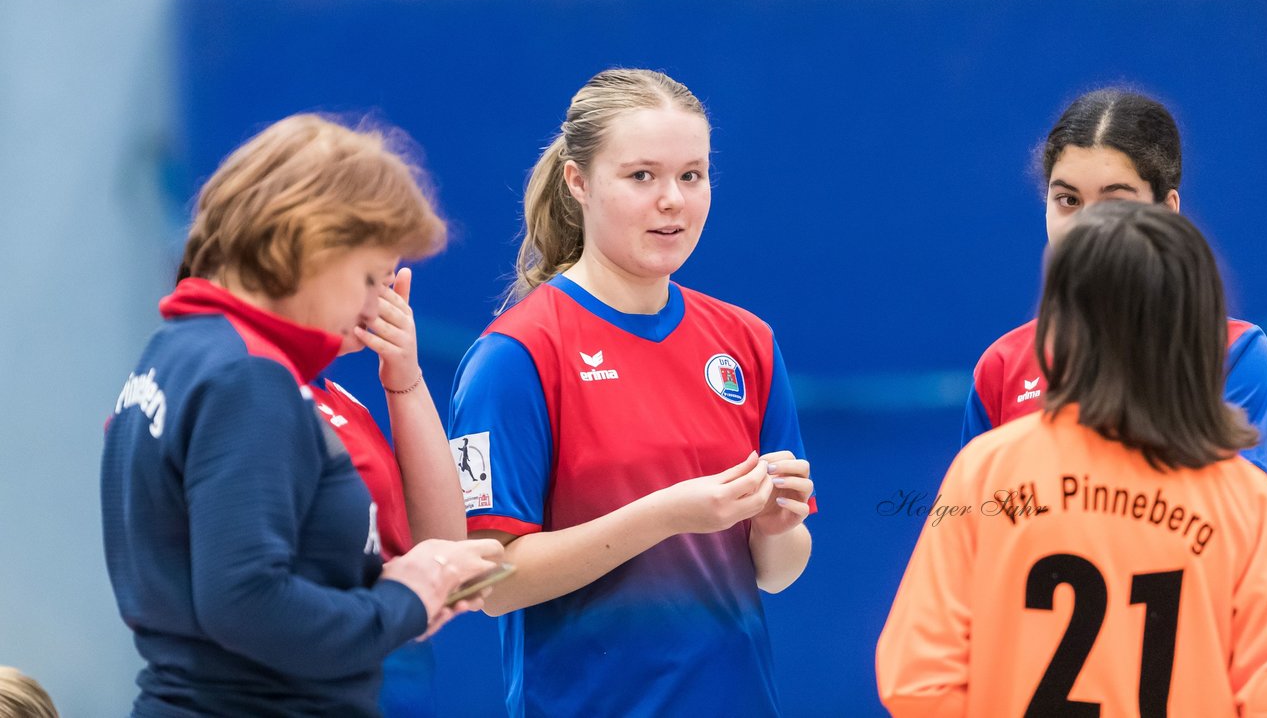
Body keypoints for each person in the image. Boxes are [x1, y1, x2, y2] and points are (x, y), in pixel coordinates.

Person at [101, 114, 503, 717]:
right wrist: (405, 599)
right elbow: (246, 601)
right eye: (369, 276)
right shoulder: (249, 377)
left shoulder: (179, 349)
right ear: (307, 242)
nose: (377, 304)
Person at [448, 69, 815, 718]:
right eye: (642, 176)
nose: (672, 200)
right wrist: (668, 514)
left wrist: (775, 526)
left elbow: (779, 571)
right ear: (578, 182)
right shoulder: (515, 356)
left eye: (692, 175)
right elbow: (489, 582)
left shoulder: (746, 340)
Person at [878, 201, 1267, 716]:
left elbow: (917, 679)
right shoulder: (1246, 500)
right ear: (1200, 329)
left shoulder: (987, 471)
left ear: (1059, 325)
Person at [960, 88, 1267, 475]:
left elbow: (1232, 522)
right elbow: (978, 520)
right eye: (1068, 201)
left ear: (1167, 211)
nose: (1087, 226)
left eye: (1115, 201)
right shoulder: (1001, 369)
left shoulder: (1232, 353)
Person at [304, 265, 464, 717]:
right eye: (367, 276)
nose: (382, 299)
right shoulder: (257, 395)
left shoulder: (339, 401)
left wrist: (404, 376)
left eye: (386, 279)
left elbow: (443, 550)